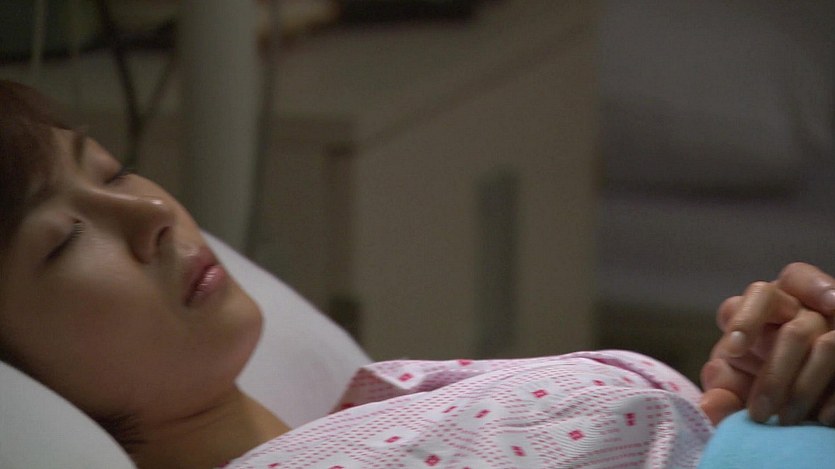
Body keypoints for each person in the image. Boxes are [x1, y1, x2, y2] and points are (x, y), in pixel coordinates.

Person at [1, 78, 834, 468]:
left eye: (112, 170)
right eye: (65, 239)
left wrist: (748, 403)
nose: (151, 212)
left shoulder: (372, 404)